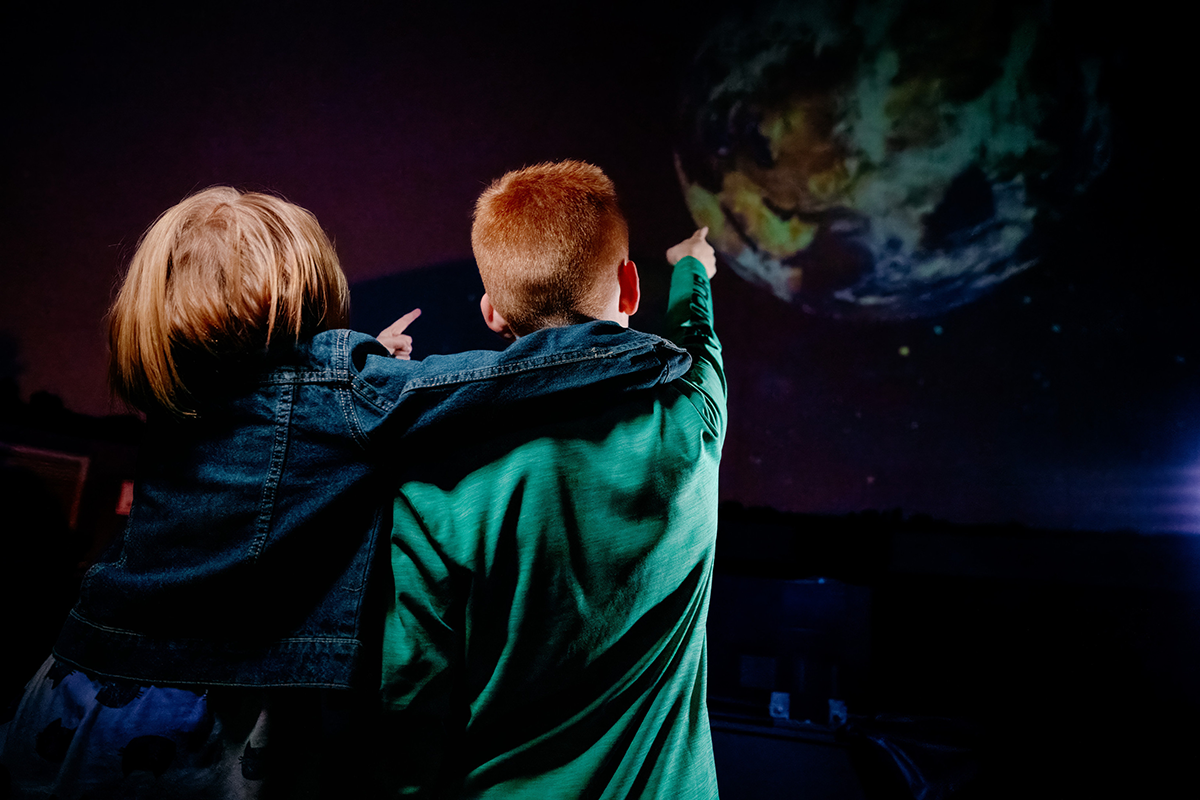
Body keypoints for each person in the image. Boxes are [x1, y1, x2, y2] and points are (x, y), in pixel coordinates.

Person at [0, 186, 690, 799]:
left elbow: (289, 431)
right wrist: (639, 352)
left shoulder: (180, 396)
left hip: (74, 689)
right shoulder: (338, 387)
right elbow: (488, 382)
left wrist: (370, 371)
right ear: (302, 287)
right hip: (208, 718)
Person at [380, 160, 725, 798]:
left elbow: (407, 712)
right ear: (630, 288)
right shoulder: (691, 419)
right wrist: (692, 267)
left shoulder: (430, 483)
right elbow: (696, 335)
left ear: (490, 311)